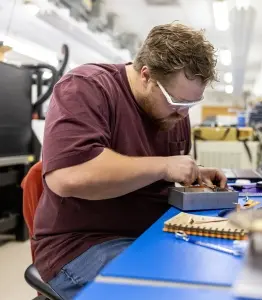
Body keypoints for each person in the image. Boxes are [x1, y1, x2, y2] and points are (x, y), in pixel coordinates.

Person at [32, 23, 226, 299]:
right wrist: (164, 165)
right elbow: (68, 177)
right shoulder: (86, 88)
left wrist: (193, 174)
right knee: (167, 292)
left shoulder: (173, 115)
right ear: (146, 75)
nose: (182, 115)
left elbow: (156, 171)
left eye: (190, 105)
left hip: (150, 234)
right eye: (177, 102)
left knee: (213, 273)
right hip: (83, 245)